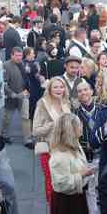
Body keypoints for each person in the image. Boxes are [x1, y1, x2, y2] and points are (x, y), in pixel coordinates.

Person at [33, 77, 71, 205]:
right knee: (51, 181)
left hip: (65, 149)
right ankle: (52, 212)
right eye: (55, 87)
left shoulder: (66, 103)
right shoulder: (42, 105)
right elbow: (36, 130)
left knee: (64, 180)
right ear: (49, 89)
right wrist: (53, 124)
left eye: (61, 87)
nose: (59, 89)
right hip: (49, 150)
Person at [74, 81, 101, 214]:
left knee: (104, 187)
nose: (83, 93)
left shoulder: (103, 110)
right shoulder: (74, 114)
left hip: (103, 156)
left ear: (92, 91)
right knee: (89, 188)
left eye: (85, 89)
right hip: (87, 157)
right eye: (79, 91)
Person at [1, 47, 30, 143]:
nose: (19, 57)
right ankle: (4, 135)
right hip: (11, 97)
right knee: (7, 119)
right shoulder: (6, 65)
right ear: (11, 55)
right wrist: (12, 94)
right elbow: (3, 84)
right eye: (17, 55)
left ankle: (28, 140)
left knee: (26, 117)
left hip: (24, 95)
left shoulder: (22, 64)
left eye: (20, 55)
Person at [22, 47, 43, 149]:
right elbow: (36, 74)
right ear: (27, 55)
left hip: (32, 90)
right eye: (32, 54)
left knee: (31, 111)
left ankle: (32, 132)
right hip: (32, 91)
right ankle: (32, 133)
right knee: (31, 112)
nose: (34, 55)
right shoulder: (30, 65)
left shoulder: (26, 64)